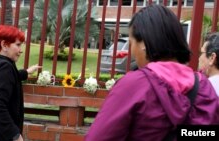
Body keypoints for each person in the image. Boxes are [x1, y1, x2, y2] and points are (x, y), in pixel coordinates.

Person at [85, 5, 219, 141]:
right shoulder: (203, 86)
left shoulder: (134, 85)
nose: (132, 52)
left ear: (143, 44)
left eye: (132, 42)